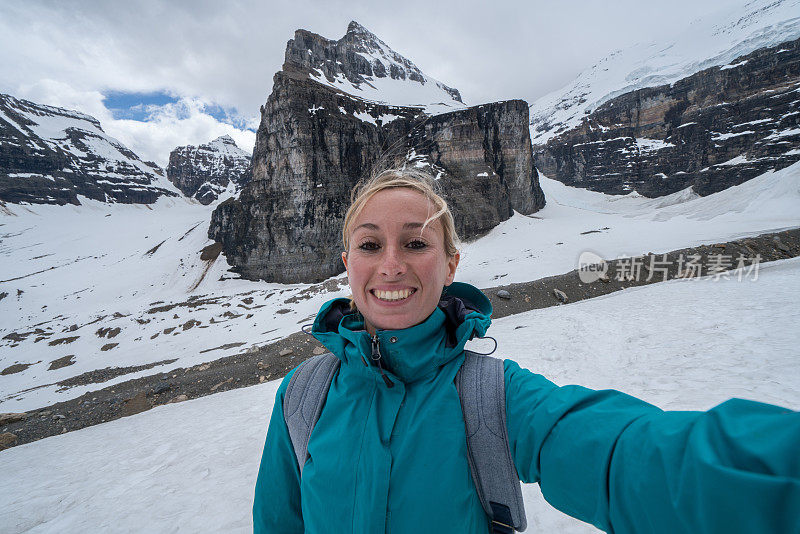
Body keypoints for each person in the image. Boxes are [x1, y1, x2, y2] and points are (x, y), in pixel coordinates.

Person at [253, 168, 800, 533]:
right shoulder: (303, 396)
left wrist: (775, 476)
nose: (391, 264)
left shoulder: (493, 395)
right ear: (347, 262)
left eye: (416, 242)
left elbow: (619, 454)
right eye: (370, 244)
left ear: (450, 265)